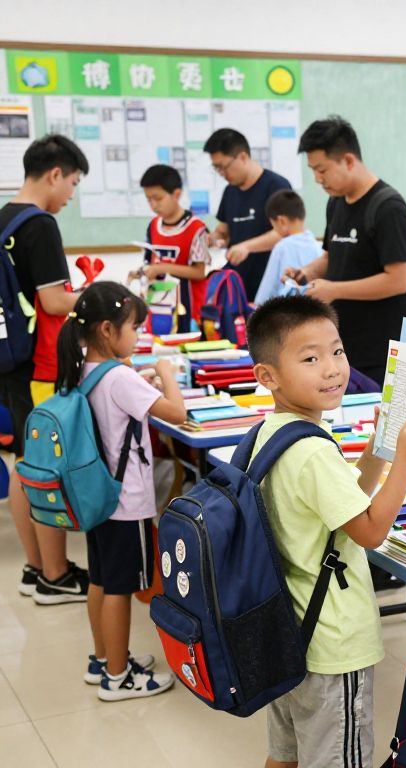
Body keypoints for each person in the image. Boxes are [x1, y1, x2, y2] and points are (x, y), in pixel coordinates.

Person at [245, 294, 406, 768]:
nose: (331, 368)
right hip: (332, 645)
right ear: (267, 375)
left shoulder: (274, 432)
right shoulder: (312, 451)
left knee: (284, 754)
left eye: (338, 351)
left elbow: (346, 502)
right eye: (310, 358)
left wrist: (379, 452)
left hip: (290, 632)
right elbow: (369, 531)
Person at [55, 281, 184, 700]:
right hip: (125, 504)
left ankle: (103, 658)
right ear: (108, 330)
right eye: (134, 328)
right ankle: (118, 676)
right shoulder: (120, 379)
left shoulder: (86, 369)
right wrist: (164, 373)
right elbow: (177, 413)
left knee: (101, 579)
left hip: (97, 500)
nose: (139, 337)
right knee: (120, 589)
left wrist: (139, 377)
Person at [0, 134, 90, 603]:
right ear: (55, 173)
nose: (70, 194)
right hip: (38, 365)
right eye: (72, 183)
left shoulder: (3, 218)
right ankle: (55, 575)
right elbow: (55, 300)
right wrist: (99, 298)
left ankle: (35, 567)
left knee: (22, 462)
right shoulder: (40, 225)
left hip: (7, 359)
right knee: (47, 467)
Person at [286, 116, 406, 385]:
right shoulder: (336, 203)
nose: (317, 179)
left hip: (384, 350)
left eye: (322, 169)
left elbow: (399, 280)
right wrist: (306, 272)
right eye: (312, 171)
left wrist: (334, 290)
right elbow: (332, 256)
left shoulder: (388, 207)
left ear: (347, 160)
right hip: (343, 347)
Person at [205, 128, 292, 301]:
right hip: (238, 287)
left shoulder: (276, 186)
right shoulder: (230, 191)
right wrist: (214, 237)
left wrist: (247, 247)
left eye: (224, 167)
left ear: (243, 157)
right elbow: (224, 230)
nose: (222, 174)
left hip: (270, 287)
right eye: (216, 168)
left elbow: (285, 234)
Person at [133, 164, 211, 327]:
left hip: (188, 309)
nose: (153, 205)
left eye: (158, 198)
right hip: (159, 307)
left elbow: (199, 272)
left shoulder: (197, 228)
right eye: (149, 199)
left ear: (176, 194)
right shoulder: (153, 226)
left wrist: (161, 268)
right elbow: (150, 263)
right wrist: (141, 273)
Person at [253, 190, 320, 305]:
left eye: (273, 225)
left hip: (286, 312)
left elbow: (267, 291)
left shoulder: (281, 247)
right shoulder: (317, 245)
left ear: (281, 221)